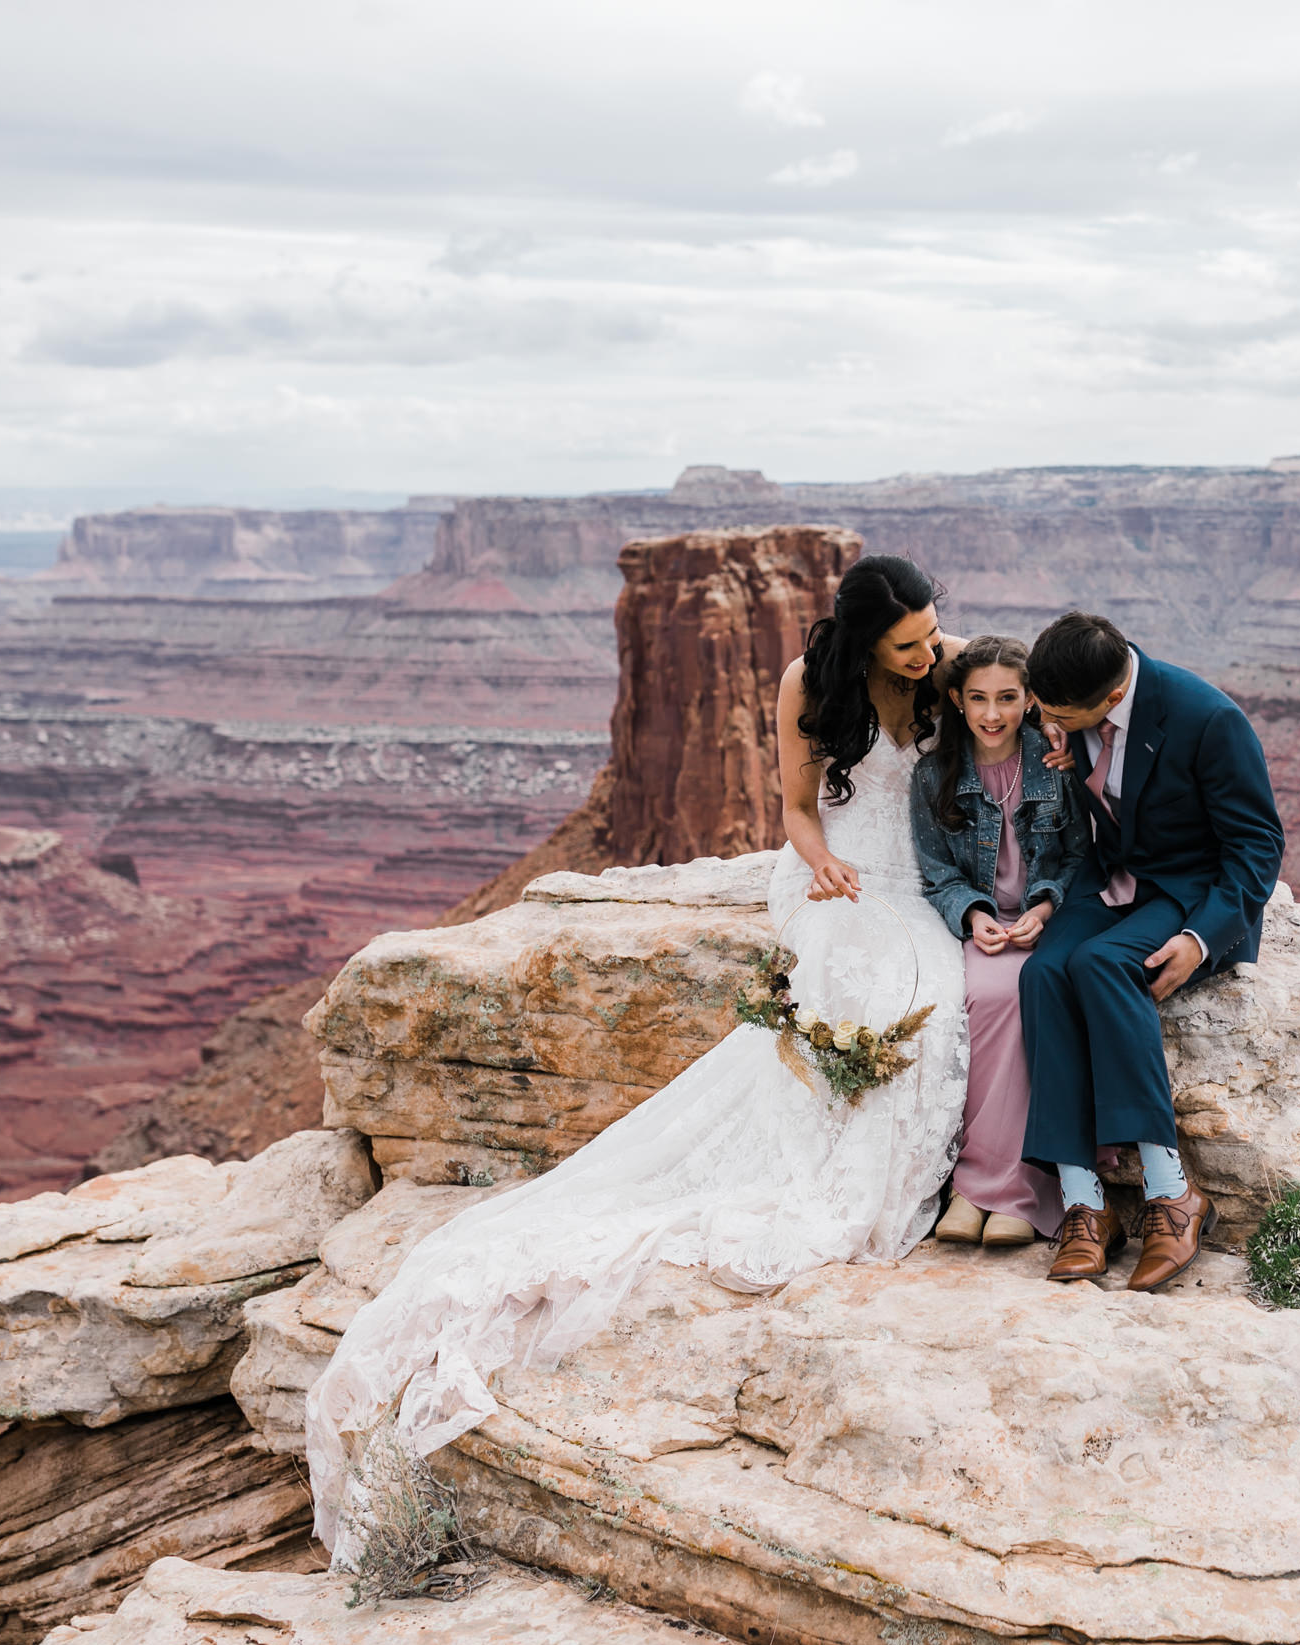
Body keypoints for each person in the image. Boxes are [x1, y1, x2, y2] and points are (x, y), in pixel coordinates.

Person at [303, 554, 971, 1563]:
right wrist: (821, 859)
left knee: (940, 992)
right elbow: (796, 810)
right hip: (837, 880)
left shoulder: (951, 662)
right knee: (860, 987)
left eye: (932, 634)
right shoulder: (808, 684)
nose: (928, 653)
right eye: (908, 643)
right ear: (864, 641)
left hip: (927, 879)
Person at [1019, 611, 1284, 1292]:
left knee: (1099, 964)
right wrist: (1052, 721)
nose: (1042, 717)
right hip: (1108, 880)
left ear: (1109, 699)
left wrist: (1201, 941)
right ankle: (1085, 1202)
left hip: (1185, 888)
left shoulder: (1206, 718)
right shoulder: (1077, 687)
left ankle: (1172, 1192)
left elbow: (1257, 847)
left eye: (1056, 711)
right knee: (1044, 972)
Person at [910, 637, 1085, 1246]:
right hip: (985, 928)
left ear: (1029, 698)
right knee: (982, 999)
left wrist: (1043, 905)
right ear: (955, 699)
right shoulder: (933, 774)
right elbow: (938, 873)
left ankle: (1004, 1190)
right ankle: (977, 1182)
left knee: (1026, 994)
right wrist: (973, 914)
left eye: (1008, 698)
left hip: (1044, 923)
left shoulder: (1056, 762)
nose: (992, 714)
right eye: (978, 698)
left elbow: (1077, 857)